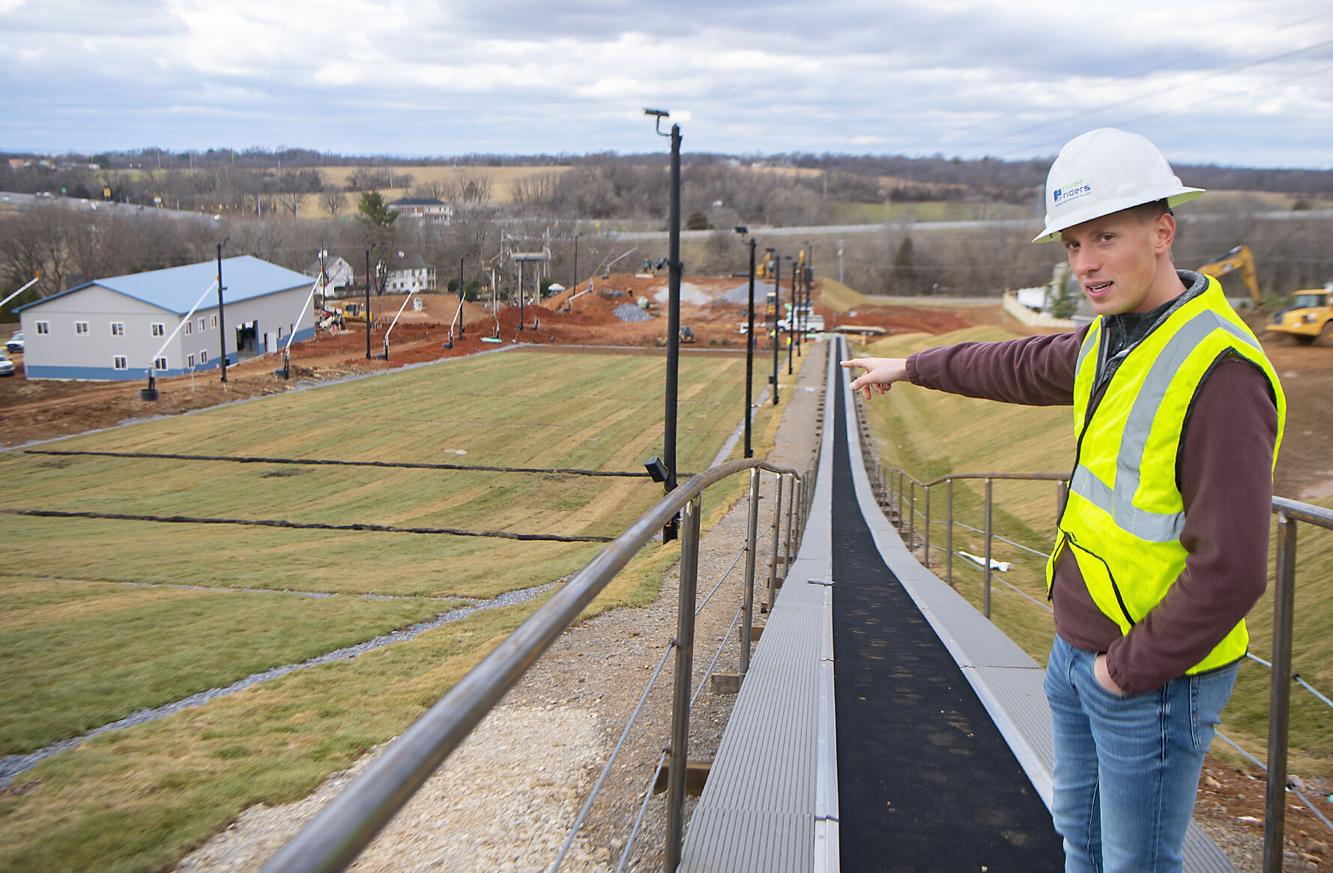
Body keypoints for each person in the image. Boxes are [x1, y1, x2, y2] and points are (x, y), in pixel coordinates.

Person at [841, 127, 1285, 873]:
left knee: (1135, 863)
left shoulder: (1221, 371)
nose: (1084, 264)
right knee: (1079, 838)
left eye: (1105, 237)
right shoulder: (1113, 338)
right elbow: (1012, 363)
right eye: (1073, 244)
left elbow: (1233, 569)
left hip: (1149, 675)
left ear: (1162, 232)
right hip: (1078, 648)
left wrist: (1124, 672)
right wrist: (911, 366)